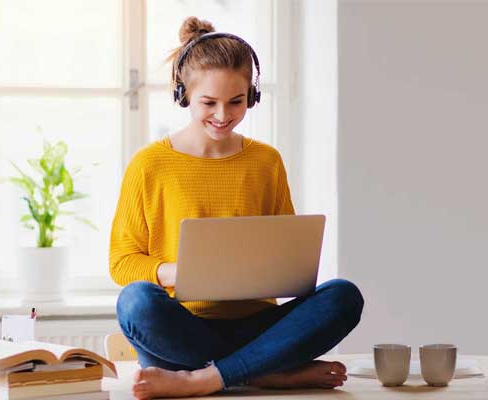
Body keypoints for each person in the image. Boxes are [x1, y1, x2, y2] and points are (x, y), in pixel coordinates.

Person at [109, 16, 364, 399]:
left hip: (257, 325)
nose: (223, 115)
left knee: (344, 296)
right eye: (208, 102)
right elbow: (121, 262)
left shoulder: (266, 161)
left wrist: (278, 270)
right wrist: (177, 271)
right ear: (183, 95)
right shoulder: (150, 164)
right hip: (182, 328)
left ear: (252, 95)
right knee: (136, 302)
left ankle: (208, 377)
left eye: (237, 101)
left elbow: (287, 253)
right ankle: (264, 372)